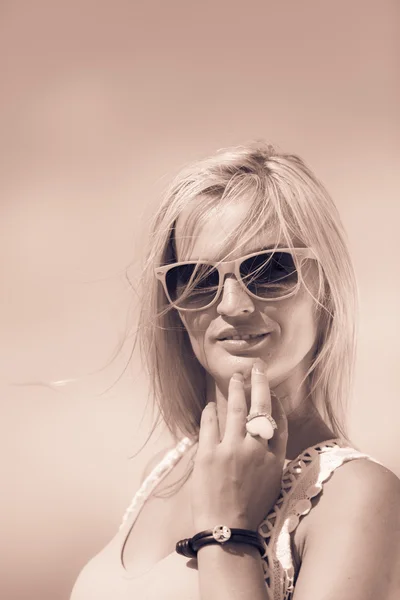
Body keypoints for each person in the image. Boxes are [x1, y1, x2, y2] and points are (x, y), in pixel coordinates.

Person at [70, 142, 400, 600]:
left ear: (323, 283)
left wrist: (226, 533)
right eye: (198, 278)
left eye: (269, 268)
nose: (233, 304)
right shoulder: (165, 470)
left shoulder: (358, 496)